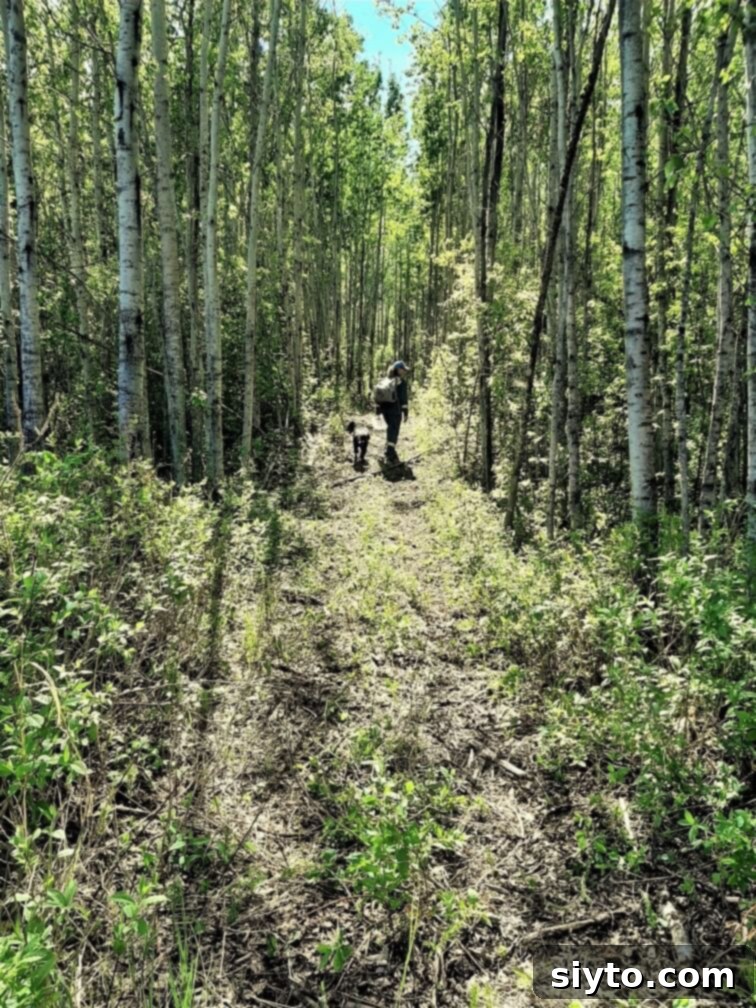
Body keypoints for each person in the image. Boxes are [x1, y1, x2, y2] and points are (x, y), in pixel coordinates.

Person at [376, 360, 409, 462]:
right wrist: (405, 411)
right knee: (394, 430)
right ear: (398, 370)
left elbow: (378, 396)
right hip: (395, 410)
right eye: (403, 369)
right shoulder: (401, 382)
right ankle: (390, 453)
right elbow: (403, 398)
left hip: (384, 409)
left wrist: (378, 410)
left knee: (390, 429)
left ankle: (389, 449)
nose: (404, 372)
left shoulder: (385, 380)